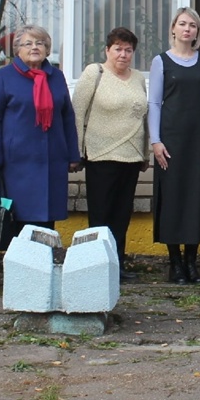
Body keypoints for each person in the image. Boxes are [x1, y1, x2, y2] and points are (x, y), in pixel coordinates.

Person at [0, 24, 80, 241]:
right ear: (18, 49)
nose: (35, 47)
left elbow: (67, 116)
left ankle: (43, 264)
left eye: (40, 43)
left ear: (47, 49)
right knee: (17, 217)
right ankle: (19, 266)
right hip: (15, 161)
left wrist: (73, 154)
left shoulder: (56, 76)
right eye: (28, 43)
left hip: (51, 160)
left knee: (46, 218)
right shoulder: (5, 76)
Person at [149, 7, 200, 285]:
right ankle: (174, 263)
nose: (187, 29)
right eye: (182, 24)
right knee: (173, 197)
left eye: (192, 25)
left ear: (197, 32)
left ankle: (192, 262)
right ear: (173, 30)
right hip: (170, 140)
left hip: (199, 140)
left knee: (197, 197)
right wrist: (155, 140)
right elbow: (154, 103)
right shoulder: (161, 62)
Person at [72, 27, 148, 282]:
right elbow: (77, 113)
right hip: (101, 155)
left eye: (128, 50)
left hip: (131, 155)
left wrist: (145, 151)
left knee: (122, 214)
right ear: (107, 50)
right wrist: (76, 150)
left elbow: (142, 117)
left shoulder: (138, 77)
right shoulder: (95, 73)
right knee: (101, 214)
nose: (123, 54)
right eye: (118, 49)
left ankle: (117, 266)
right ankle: (95, 267)